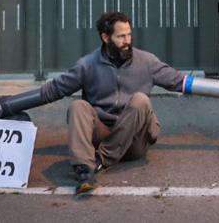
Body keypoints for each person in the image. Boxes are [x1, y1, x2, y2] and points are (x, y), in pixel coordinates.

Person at [37, 11, 185, 194]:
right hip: (102, 133)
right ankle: (84, 170)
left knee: (141, 100)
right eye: (121, 36)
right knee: (78, 106)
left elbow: (179, 81)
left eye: (129, 35)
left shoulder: (146, 61)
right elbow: (54, 90)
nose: (127, 41)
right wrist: (6, 105)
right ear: (105, 37)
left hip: (134, 141)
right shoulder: (88, 64)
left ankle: (100, 160)